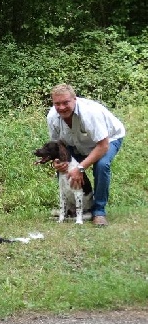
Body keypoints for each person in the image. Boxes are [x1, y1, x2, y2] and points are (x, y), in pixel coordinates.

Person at [47, 83, 125, 227]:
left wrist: (80, 168)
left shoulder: (90, 113)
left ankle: (99, 211)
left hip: (108, 139)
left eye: (66, 102)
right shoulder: (52, 116)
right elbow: (58, 145)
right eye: (57, 103)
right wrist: (57, 161)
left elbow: (103, 146)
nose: (61, 107)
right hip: (77, 143)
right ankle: (73, 208)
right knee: (64, 166)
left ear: (74, 99)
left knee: (101, 165)